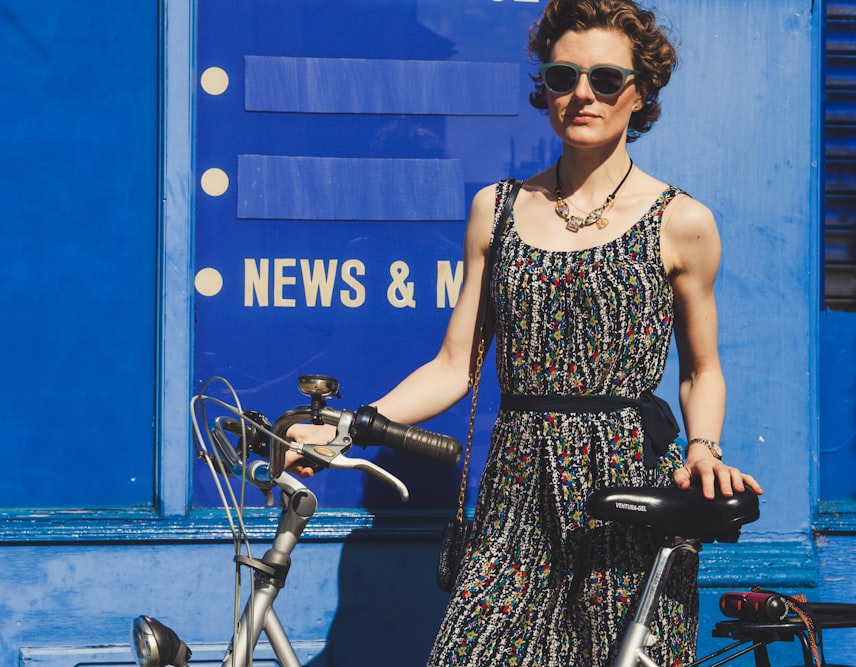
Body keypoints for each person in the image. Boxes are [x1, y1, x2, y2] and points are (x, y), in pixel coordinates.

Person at [290, 0, 763, 664]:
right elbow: (454, 364)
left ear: (642, 91)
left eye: (606, 79)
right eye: (564, 75)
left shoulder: (681, 221)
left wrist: (704, 447)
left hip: (624, 480)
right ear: (543, 85)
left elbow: (700, 369)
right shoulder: (498, 208)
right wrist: (352, 425)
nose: (582, 94)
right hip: (517, 486)